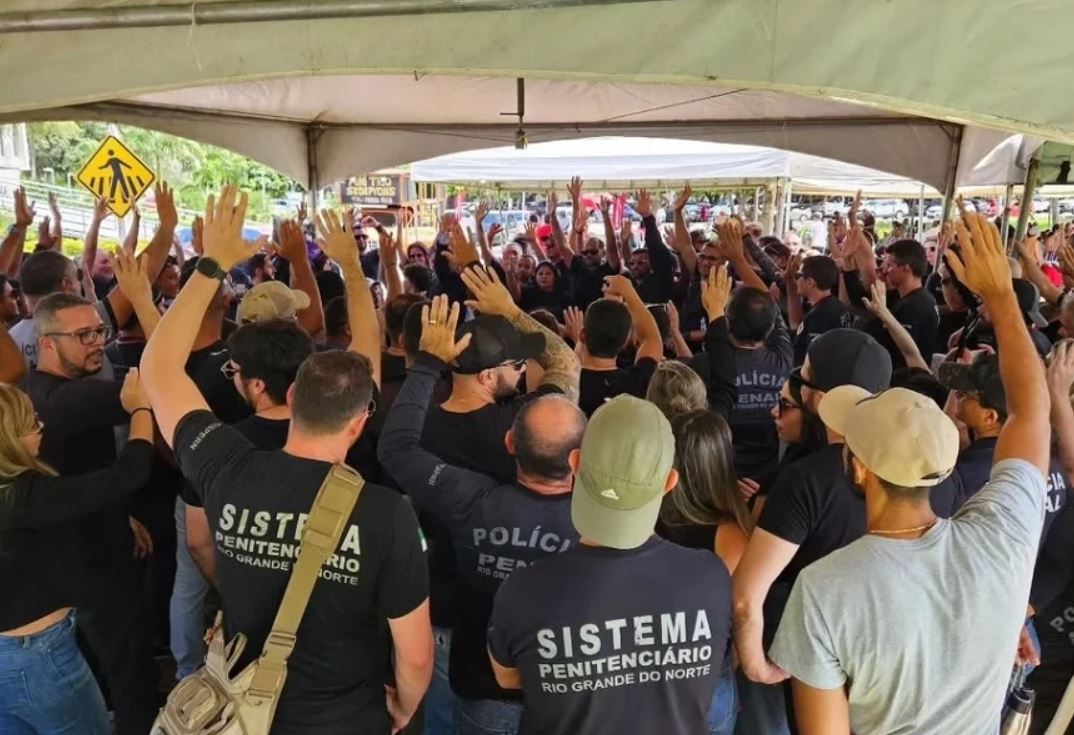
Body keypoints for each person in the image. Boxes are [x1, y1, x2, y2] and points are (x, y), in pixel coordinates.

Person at [142, 188, 432, 734]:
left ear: (293, 397)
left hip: (247, 714)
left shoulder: (227, 464)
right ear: (359, 421)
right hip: (347, 717)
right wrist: (405, 706)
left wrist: (210, 266)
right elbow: (414, 658)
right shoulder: (386, 513)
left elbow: (158, 370)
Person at [769, 212, 1051, 734]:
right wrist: (1004, 298)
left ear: (856, 466)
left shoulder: (824, 588)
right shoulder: (1002, 537)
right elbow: (1031, 413)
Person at [379, 294, 587, 735]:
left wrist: (428, 362)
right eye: (515, 366)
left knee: (441, 718)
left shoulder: (418, 424)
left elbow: (394, 447)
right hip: (536, 637)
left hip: (449, 606)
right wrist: (511, 307)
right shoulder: (529, 423)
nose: (521, 374)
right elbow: (565, 362)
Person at [487, 395, 734, 735]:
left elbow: (510, 677)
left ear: (575, 463)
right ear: (669, 483)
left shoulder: (523, 589)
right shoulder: (712, 577)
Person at [22, 291, 160, 735]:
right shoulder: (73, 399)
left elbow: (88, 472)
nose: (97, 342)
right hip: (96, 569)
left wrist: (121, 516)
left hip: (73, 558)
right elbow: (155, 386)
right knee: (130, 673)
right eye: (82, 335)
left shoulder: (31, 390)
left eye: (99, 331)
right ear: (46, 342)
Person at [0, 375, 155, 735]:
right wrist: (141, 407)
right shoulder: (26, 496)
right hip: (41, 656)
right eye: (31, 423)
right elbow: (130, 472)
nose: (41, 428)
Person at [941, 352, 1070, 530]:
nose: (958, 396)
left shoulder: (968, 471)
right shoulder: (1050, 459)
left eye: (965, 394)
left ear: (989, 417)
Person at [569, 275, 663, 417]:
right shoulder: (636, 384)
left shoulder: (566, 384)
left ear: (582, 335)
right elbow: (651, 340)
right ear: (625, 340)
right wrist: (629, 292)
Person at [856, 239, 940, 367]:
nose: (885, 270)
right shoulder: (919, 298)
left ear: (906, 268)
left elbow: (899, 351)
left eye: (890, 265)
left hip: (905, 378)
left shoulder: (913, 306)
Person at [783, 253, 848, 366]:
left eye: (798, 276)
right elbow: (797, 327)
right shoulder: (833, 305)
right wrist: (789, 281)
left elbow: (815, 360)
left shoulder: (822, 315)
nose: (796, 280)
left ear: (810, 282)